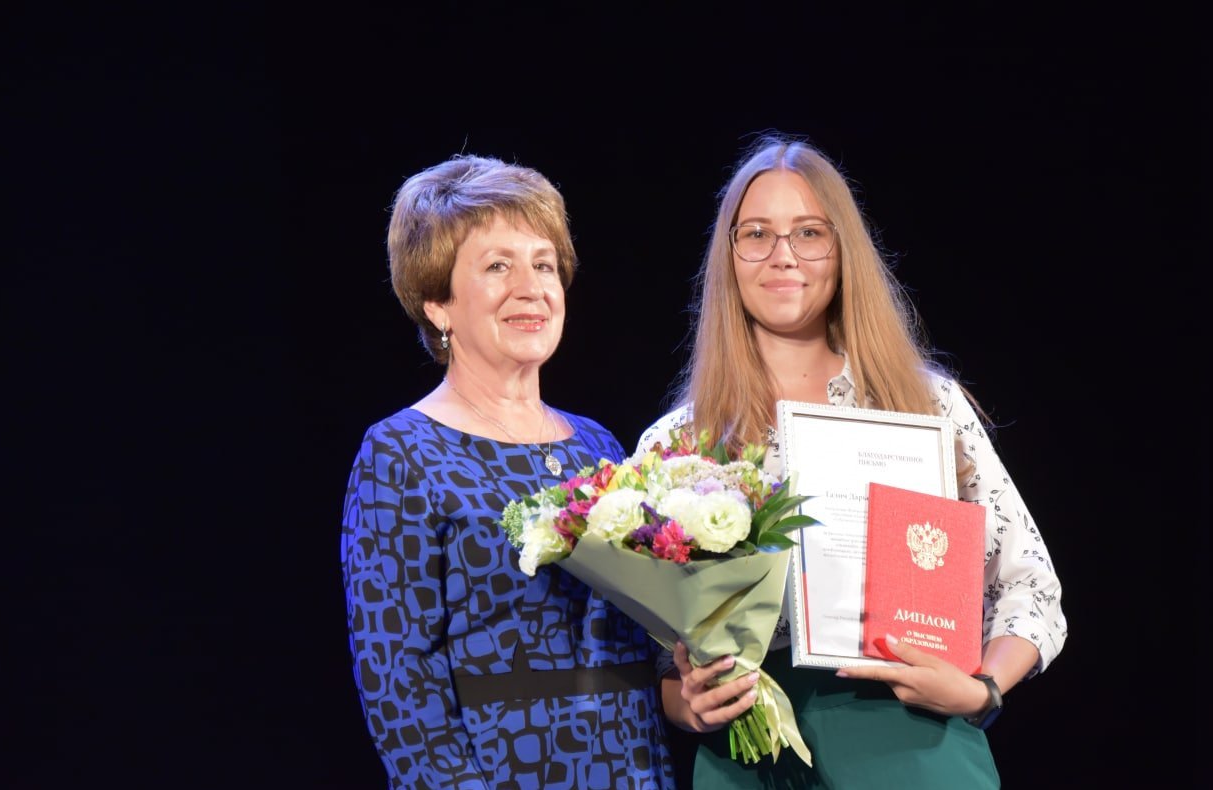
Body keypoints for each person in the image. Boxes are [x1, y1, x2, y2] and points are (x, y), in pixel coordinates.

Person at [634, 133, 1067, 788]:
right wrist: (687, 704)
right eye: (756, 234)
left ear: (842, 253)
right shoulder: (678, 445)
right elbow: (650, 661)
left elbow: (1030, 584)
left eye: (809, 233)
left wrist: (982, 689)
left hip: (915, 744)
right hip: (754, 753)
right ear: (729, 257)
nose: (783, 256)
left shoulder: (924, 408)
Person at [341, 153, 676, 788]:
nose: (533, 287)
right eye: (499, 266)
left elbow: (641, 637)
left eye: (544, 265)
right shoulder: (401, 452)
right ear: (437, 301)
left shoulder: (598, 445)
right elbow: (400, 691)